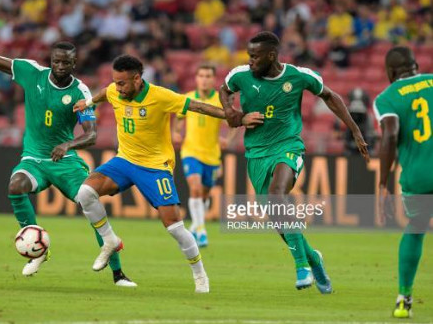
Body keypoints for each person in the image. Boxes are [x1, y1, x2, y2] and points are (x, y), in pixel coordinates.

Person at [0, 12, 136, 287]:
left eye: (65, 62)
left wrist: (67, 144)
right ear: (50, 60)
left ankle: (118, 273)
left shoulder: (81, 92)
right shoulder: (32, 73)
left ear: (74, 63)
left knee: (91, 205)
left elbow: (91, 135)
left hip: (65, 162)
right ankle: (39, 249)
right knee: (15, 186)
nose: (59, 66)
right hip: (34, 158)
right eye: (55, 61)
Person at [72, 54, 263, 293]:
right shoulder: (114, 90)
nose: (117, 88)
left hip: (155, 166)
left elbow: (198, 107)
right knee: (86, 193)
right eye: (115, 82)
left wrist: (238, 117)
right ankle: (110, 240)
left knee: (174, 227)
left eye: (122, 83)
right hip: (124, 160)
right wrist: (88, 103)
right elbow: (105, 92)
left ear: (137, 79)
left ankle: (200, 274)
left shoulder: (160, 96)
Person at [220, 31, 369, 293]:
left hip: (288, 146)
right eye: (249, 56)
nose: (250, 61)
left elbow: (331, 96)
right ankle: (314, 258)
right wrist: (231, 112)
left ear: (271, 55)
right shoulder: (240, 75)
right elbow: (224, 91)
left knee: (277, 195)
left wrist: (355, 130)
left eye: (255, 57)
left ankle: (302, 266)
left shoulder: (299, 76)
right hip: (256, 152)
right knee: (279, 223)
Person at [375, 46, 433, 318]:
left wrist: (383, 183)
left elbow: (389, 136)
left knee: (417, 227)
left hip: (419, 176)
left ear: (390, 72)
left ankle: (403, 299)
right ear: (416, 66)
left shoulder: (387, 98)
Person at [172, 64, 236, 247]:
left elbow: (233, 123)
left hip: (212, 155)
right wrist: (176, 132)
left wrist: (228, 139)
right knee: (195, 188)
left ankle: (195, 225)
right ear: (196, 78)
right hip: (190, 151)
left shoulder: (220, 100)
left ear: (214, 79)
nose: (204, 79)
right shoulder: (188, 98)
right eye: (201, 75)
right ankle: (201, 231)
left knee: (204, 195)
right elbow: (178, 119)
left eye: (208, 76)